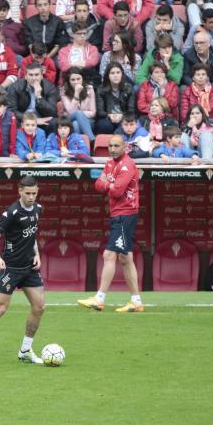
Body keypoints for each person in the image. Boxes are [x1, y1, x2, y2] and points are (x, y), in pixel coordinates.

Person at [0, 176, 46, 368]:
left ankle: (25, 351)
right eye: (27, 193)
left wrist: (36, 253)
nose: (31, 197)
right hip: (11, 268)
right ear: (20, 191)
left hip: (29, 268)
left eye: (34, 193)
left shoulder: (38, 209)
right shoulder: (11, 213)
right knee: (1, 308)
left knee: (39, 307)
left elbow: (32, 234)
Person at [78, 134, 144, 313]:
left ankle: (99, 298)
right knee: (125, 258)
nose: (113, 149)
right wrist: (109, 184)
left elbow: (117, 191)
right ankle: (136, 301)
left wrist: (108, 183)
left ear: (124, 147)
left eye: (116, 146)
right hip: (118, 214)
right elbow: (97, 185)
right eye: (110, 146)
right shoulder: (109, 163)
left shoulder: (127, 165)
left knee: (109, 255)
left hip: (125, 214)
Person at [5, 62, 59, 131]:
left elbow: (53, 112)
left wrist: (39, 98)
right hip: (23, 120)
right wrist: (33, 120)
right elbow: (11, 110)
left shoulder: (50, 87)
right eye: (30, 75)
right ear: (25, 76)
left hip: (42, 119)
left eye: (37, 75)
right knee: (12, 121)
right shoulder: (15, 87)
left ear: (41, 76)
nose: (34, 78)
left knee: (54, 122)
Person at [96, 62, 136, 134]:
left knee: (125, 125)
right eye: (112, 73)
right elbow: (100, 112)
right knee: (105, 126)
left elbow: (131, 110)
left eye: (118, 72)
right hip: (107, 118)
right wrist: (109, 115)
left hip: (124, 117)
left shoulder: (129, 88)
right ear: (108, 76)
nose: (115, 75)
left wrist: (122, 115)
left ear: (122, 74)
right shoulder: (101, 89)